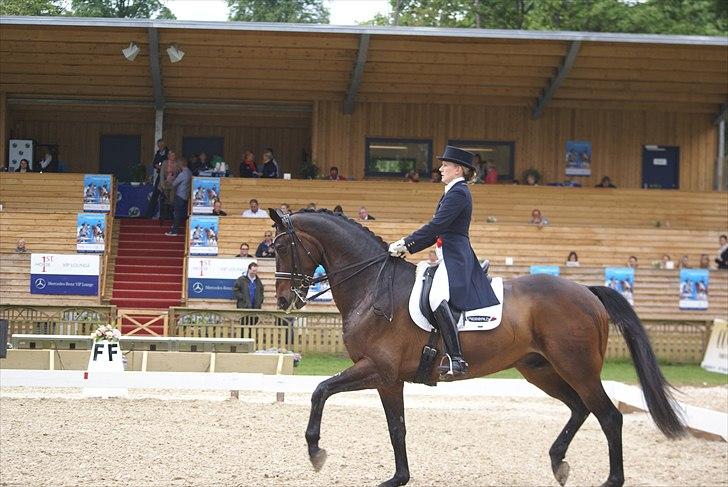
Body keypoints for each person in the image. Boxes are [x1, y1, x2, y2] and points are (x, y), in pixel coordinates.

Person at [388, 145, 499, 377]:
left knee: (437, 297)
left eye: (445, 165)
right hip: (447, 254)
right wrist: (407, 246)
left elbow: (437, 227)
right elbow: (435, 231)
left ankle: (457, 359)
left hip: (455, 257)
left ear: (457, 169)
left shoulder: (458, 192)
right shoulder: (453, 190)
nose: (440, 168)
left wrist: (405, 244)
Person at [165, 157, 191, 236]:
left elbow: (174, 183)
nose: (177, 165)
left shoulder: (183, 173)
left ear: (181, 164)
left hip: (180, 195)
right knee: (180, 213)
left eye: (178, 163)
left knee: (176, 213)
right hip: (185, 195)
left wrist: (169, 180)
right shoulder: (189, 172)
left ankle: (174, 231)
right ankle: (176, 227)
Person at [144, 141, 169, 218]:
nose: (160, 146)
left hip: (168, 175)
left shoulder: (168, 152)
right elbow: (154, 162)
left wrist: (163, 166)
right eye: (159, 145)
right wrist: (157, 166)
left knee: (166, 195)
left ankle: (166, 216)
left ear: (164, 144)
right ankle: (149, 215)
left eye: (162, 144)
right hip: (160, 174)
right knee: (155, 193)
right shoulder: (158, 153)